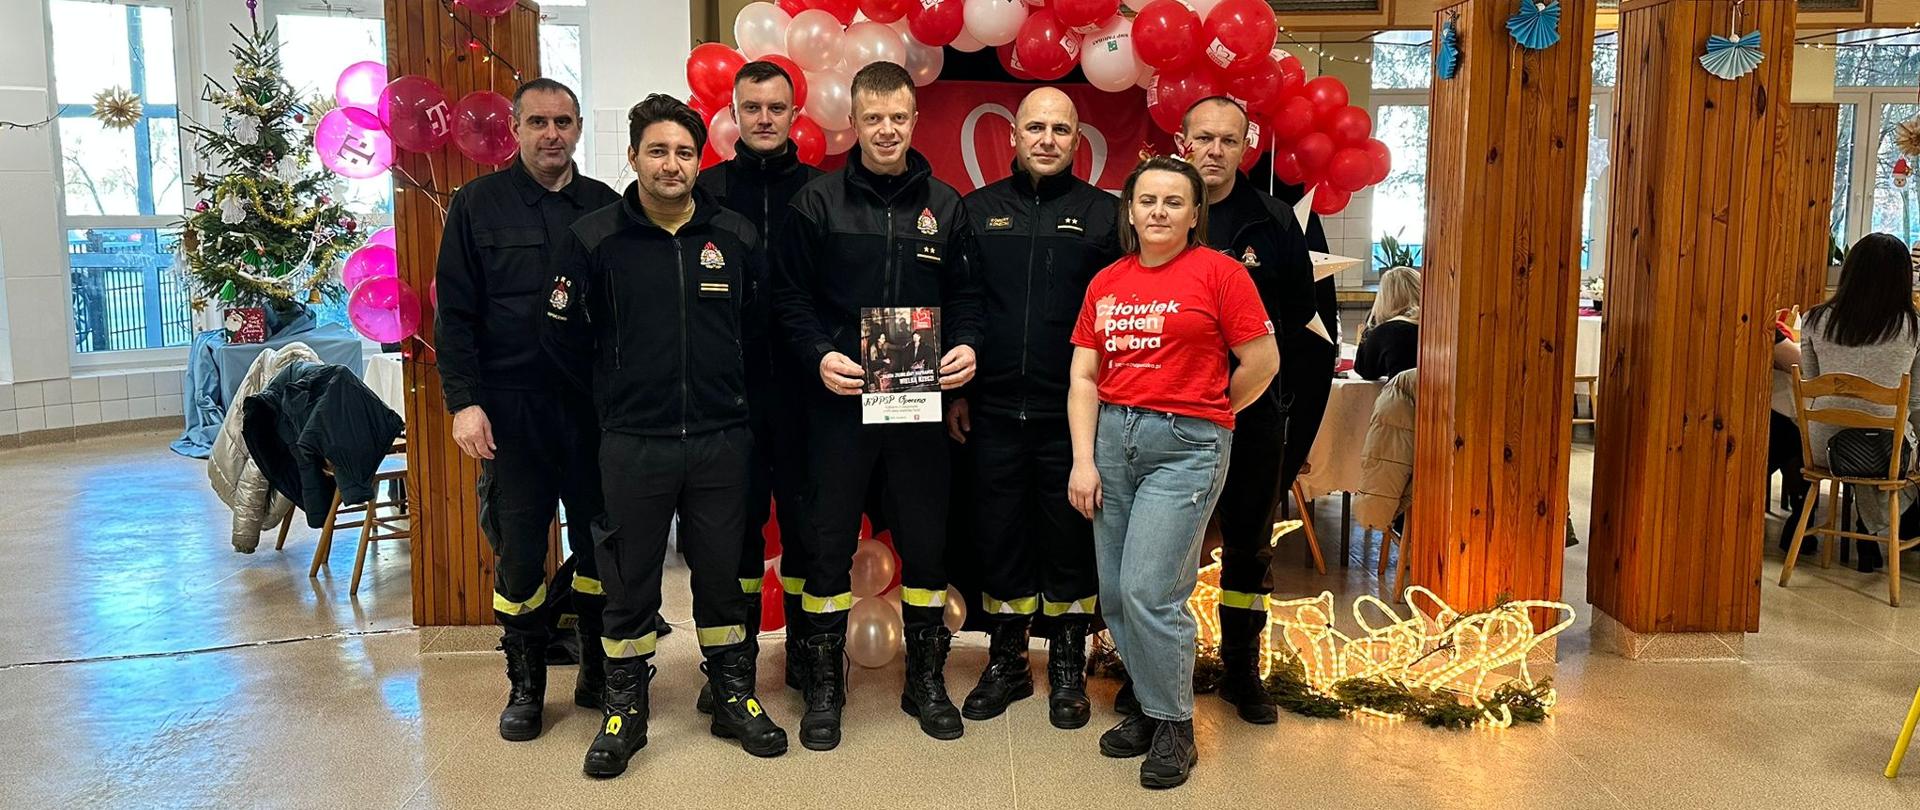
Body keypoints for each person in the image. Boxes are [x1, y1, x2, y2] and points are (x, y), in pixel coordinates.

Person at [544, 95, 787, 778]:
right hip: (633, 442)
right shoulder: (595, 239)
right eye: (658, 150)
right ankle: (626, 710)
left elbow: (759, 333)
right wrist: (611, 401)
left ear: (699, 159)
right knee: (628, 581)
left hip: (719, 440)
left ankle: (734, 693)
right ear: (632, 157)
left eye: (684, 151)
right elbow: (562, 341)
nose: (672, 163)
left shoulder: (734, 236)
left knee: (721, 577)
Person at [773, 61, 983, 750]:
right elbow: (790, 301)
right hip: (838, 405)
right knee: (827, 546)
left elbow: (970, 302)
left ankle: (925, 680)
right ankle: (825, 685)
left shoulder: (947, 206)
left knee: (927, 547)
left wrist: (968, 347)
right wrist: (816, 355)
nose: (887, 129)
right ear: (854, 122)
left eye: (898, 117)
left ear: (914, 120)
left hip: (918, 404)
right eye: (874, 118)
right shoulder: (816, 203)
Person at [1067, 156, 1279, 789]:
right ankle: (1148, 697)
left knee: (1151, 589)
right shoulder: (1107, 281)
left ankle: (1172, 725)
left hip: (1186, 445)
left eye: (1173, 202)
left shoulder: (1220, 274)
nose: (1158, 211)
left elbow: (1261, 362)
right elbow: (1083, 374)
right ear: (1129, 210)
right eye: (1147, 201)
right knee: (1114, 591)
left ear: (1194, 214)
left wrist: (1210, 413)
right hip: (1110, 439)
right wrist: (1083, 458)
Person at [432, 77, 619, 743]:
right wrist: (464, 404)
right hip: (510, 414)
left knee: (603, 547)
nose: (551, 134)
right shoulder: (477, 206)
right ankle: (527, 684)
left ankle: (596, 669)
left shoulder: (605, 207)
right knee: (518, 558)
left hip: (592, 413)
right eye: (538, 121)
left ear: (577, 129)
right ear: (513, 130)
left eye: (563, 122)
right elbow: (452, 317)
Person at [949, 86, 1118, 729]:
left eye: (1061, 129)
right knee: (999, 539)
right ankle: (1010, 663)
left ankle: (1069, 669)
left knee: (1071, 540)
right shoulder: (976, 210)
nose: (1047, 139)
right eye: (1035, 128)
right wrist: (959, 391)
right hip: (989, 410)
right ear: (1014, 135)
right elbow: (963, 303)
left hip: (1073, 416)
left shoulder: (1107, 216)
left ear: (1078, 140)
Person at [1178, 96, 1317, 725]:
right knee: (1165, 544)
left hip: (1253, 411)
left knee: (1249, 545)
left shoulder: (1274, 220)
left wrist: (1270, 399)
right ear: (1183, 142)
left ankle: (1241, 671)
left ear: (1245, 146)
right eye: (1203, 138)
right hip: (1170, 411)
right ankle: (1156, 668)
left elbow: (1295, 321)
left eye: (1227, 141)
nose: (1214, 150)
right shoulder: (1159, 206)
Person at [694, 61, 824, 705]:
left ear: (795, 113)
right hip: (728, 399)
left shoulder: (825, 191)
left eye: (777, 108)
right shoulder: (705, 193)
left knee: (807, 528)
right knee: (731, 533)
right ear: (734, 115)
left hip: (810, 398)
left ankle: (804, 654)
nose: (765, 119)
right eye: (753, 108)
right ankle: (733, 661)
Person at [1797, 232, 1920, 574]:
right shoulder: (1913, 328)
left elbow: (1811, 383)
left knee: (1869, 433)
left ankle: (1866, 532)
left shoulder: (1813, 320)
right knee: (1898, 443)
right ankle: (1881, 531)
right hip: (1884, 453)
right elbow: (1916, 400)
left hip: (1824, 449)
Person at [1355, 266, 1421, 381]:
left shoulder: (1387, 331)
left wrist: (1372, 320)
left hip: (1405, 397)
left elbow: (1364, 369)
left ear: (1385, 298)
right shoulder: (1433, 325)